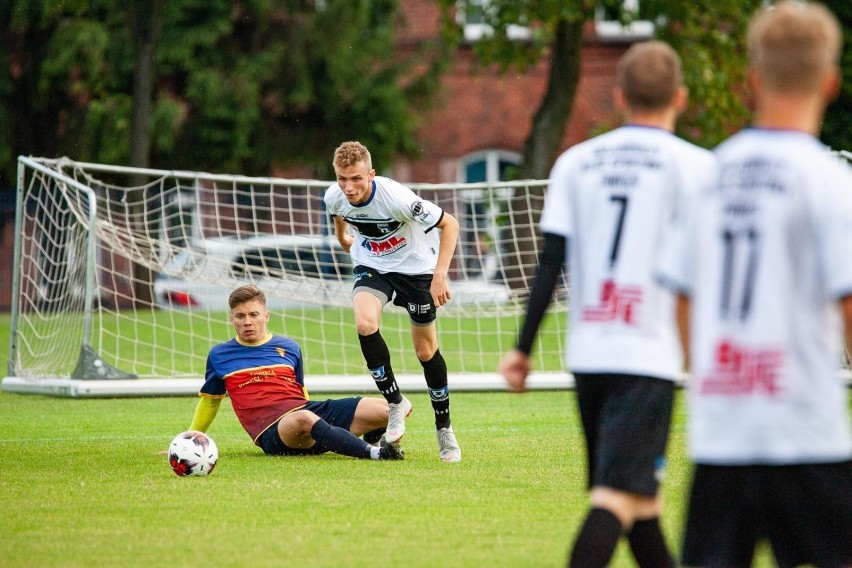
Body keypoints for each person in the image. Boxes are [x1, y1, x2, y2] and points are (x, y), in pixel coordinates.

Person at [500, 41, 715, 567]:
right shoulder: (699, 167)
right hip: (649, 354)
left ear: (618, 96)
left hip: (590, 352)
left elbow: (550, 262)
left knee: (641, 505)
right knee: (616, 497)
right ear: (681, 97)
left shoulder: (577, 162)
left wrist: (522, 349)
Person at [657, 2, 852, 566]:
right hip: (806, 431)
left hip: (724, 436)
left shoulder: (710, 176)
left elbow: (683, 295)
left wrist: (709, 377)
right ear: (832, 83)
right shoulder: (830, 179)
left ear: (751, 80)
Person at [323, 141, 462, 463]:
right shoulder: (334, 195)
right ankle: (395, 403)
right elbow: (339, 215)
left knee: (426, 351)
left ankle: (444, 428)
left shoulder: (396, 198)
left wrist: (440, 275)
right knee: (364, 323)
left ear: (371, 174)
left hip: (417, 271)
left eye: (356, 179)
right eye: (343, 178)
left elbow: (449, 224)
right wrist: (343, 238)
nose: (349, 187)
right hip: (374, 268)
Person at [187, 284, 404, 461]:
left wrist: (317, 424)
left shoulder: (289, 347)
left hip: (304, 413)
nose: (247, 322)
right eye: (240, 316)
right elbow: (210, 402)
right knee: (303, 418)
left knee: (391, 409)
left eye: (253, 314)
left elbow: (300, 390)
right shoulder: (219, 355)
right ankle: (376, 454)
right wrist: (190, 439)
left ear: (266, 316)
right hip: (273, 432)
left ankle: (365, 441)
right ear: (231, 319)